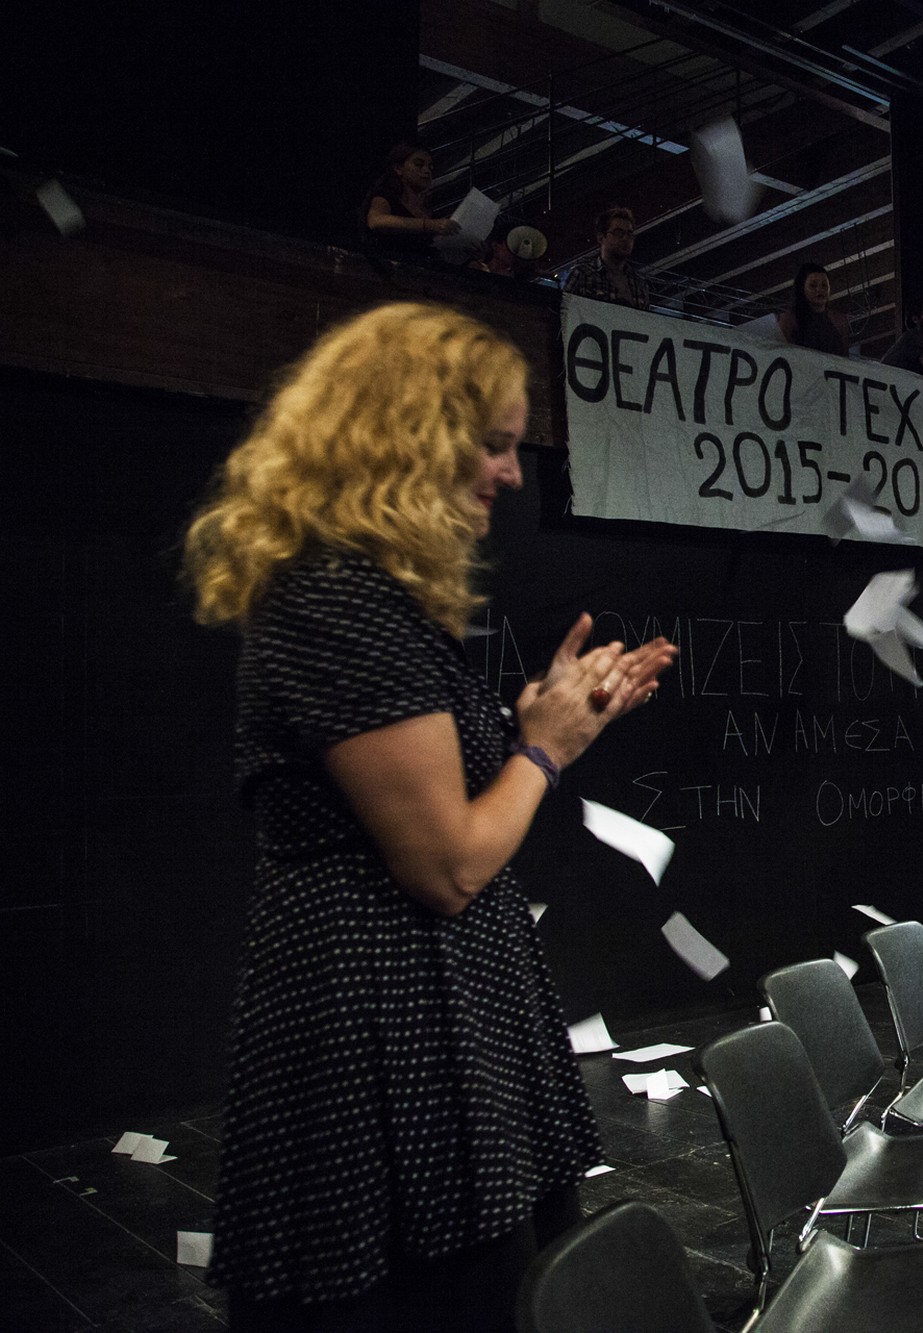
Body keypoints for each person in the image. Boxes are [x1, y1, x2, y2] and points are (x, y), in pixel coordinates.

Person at [182, 303, 676, 1331]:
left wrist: (544, 719)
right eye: (492, 444)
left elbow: (441, 789)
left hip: (433, 1012)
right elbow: (449, 863)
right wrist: (546, 748)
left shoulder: (372, 599)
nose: (510, 473)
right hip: (381, 1024)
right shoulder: (338, 601)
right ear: (406, 436)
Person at [360, 142, 460, 259]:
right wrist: (428, 225)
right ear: (398, 168)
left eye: (430, 167)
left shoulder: (429, 211)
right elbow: (376, 221)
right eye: (419, 164)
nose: (427, 171)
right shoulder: (386, 197)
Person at [562, 206, 661, 309]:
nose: (625, 238)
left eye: (629, 234)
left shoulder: (639, 284)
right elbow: (563, 311)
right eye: (618, 233)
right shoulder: (582, 274)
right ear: (601, 238)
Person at [776, 261, 851, 354]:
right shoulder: (789, 319)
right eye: (813, 285)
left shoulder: (840, 321)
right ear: (802, 288)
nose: (819, 290)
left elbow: (845, 357)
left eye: (824, 285)